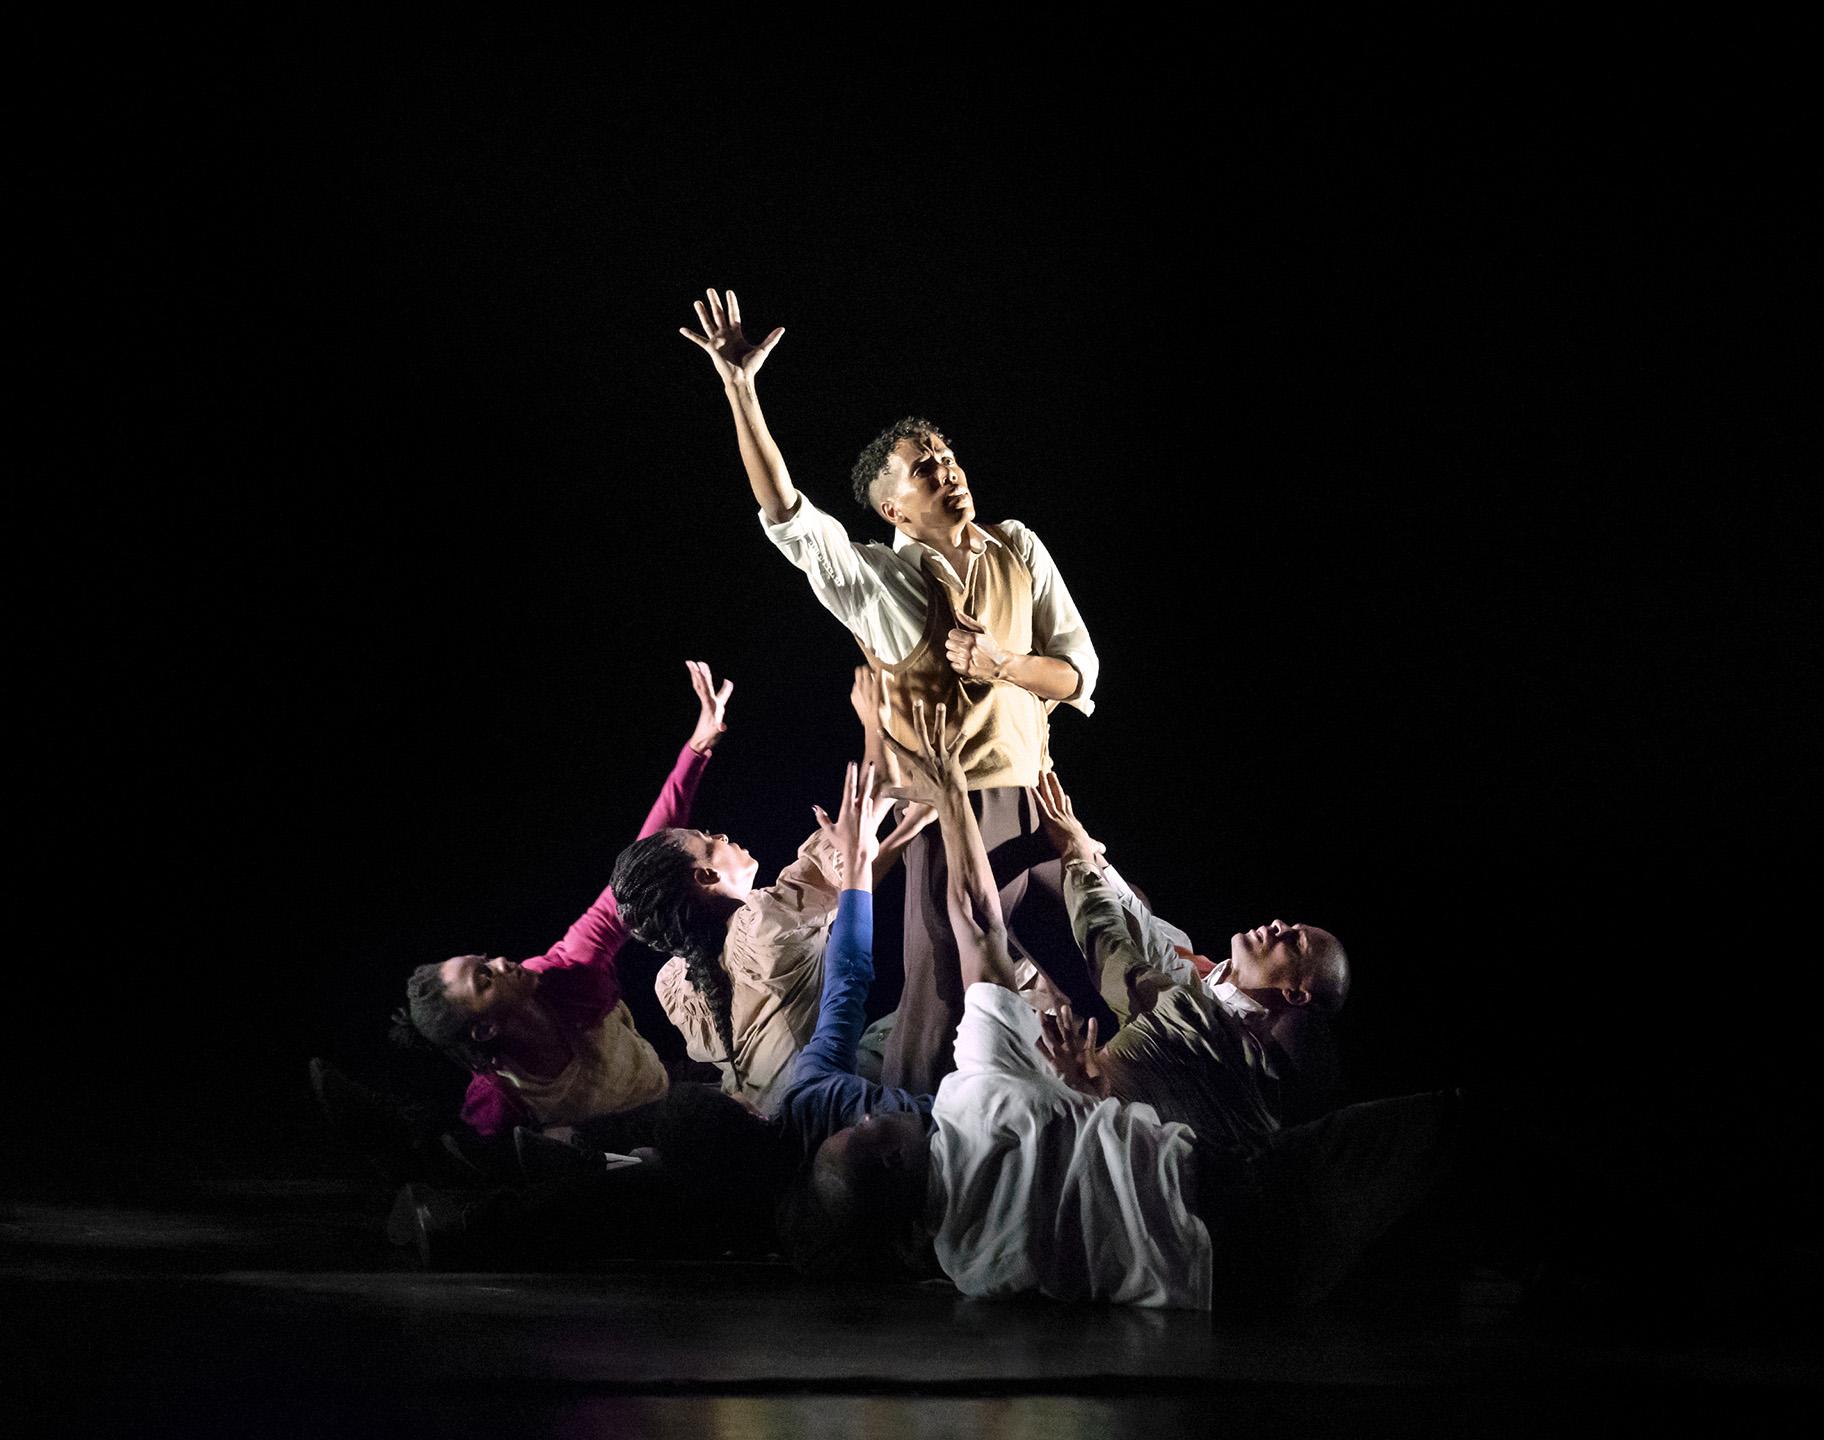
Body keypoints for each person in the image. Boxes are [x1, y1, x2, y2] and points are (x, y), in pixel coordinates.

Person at [805, 703, 1458, 1308]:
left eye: (1296, 942)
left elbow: (1121, 945)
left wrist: (1089, 1096)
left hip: (1213, 1286)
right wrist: (952, 790)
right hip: (1233, 1195)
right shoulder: (979, 1096)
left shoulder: (971, 1266)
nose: (866, 1116)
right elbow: (1004, 926)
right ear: (890, 1159)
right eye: (861, 1131)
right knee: (1447, 1133)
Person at [679, 286, 1108, 1092]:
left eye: (946, 456)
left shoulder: (1018, 547)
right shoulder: (881, 584)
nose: (946, 469)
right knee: (942, 995)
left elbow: (1078, 673)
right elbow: (787, 513)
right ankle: (895, 1153)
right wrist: (741, 390)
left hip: (1039, 797)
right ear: (893, 509)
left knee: (1096, 964)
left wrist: (1001, 665)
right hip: (952, 809)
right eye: (923, 468)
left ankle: (1117, 1115)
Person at [397, 661, 734, 1139]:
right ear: (485, 1030)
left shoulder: (567, 970)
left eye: (486, 958)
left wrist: (697, 749)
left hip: (666, 1097)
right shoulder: (504, 1099)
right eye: (485, 977)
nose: (503, 961)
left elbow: (641, 866)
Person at [608, 738, 933, 1113]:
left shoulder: (672, 984)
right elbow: (853, 836)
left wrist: (909, 827)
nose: (722, 836)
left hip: (779, 1124)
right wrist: (885, 727)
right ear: (706, 875)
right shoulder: (763, 925)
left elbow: (852, 881)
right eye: (708, 840)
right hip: (835, 1112)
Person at [1028, 771, 1350, 1126]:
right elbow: (1151, 942)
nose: (1278, 926)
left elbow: (1115, 954)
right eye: (1290, 926)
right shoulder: (1211, 986)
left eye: (1294, 942)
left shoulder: (1215, 1034)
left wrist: (1078, 856)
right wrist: (1093, 859)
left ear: (1295, 994)